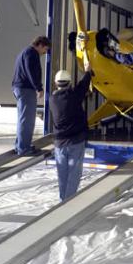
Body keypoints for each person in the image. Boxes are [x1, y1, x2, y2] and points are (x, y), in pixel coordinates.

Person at [49, 63, 92, 201]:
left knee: (62, 175)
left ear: (56, 83)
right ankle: (68, 202)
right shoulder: (74, 96)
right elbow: (84, 85)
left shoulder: (52, 99)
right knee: (74, 174)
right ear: (69, 83)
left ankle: (63, 200)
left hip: (59, 143)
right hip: (75, 141)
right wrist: (88, 71)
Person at [12, 36, 51, 156]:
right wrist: (38, 87)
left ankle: (20, 145)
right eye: (45, 49)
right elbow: (31, 71)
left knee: (22, 119)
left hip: (19, 88)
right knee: (27, 120)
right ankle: (24, 149)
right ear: (40, 45)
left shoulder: (24, 52)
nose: (44, 53)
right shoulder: (31, 53)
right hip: (26, 89)